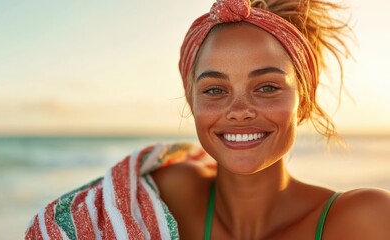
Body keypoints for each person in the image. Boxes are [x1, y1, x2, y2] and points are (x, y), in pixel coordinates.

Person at [26, 0, 390, 239]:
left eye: (266, 87)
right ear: (193, 103)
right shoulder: (156, 196)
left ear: (304, 102)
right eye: (215, 90)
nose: (239, 109)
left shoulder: (362, 219)